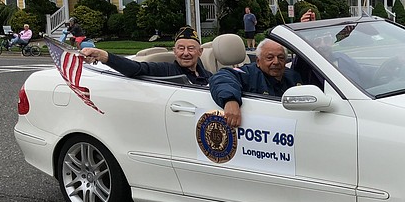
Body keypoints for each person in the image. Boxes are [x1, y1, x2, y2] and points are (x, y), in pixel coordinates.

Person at [209, 39, 302, 127]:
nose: (276, 62)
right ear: (258, 61)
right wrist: (230, 100)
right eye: (270, 58)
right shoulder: (249, 74)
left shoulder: (293, 76)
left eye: (281, 58)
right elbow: (221, 77)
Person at [81, 26, 212, 85]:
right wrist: (104, 56)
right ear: (174, 51)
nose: (185, 53)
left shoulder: (209, 76)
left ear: (200, 52)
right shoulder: (166, 70)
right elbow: (135, 68)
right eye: (181, 48)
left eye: (191, 48)